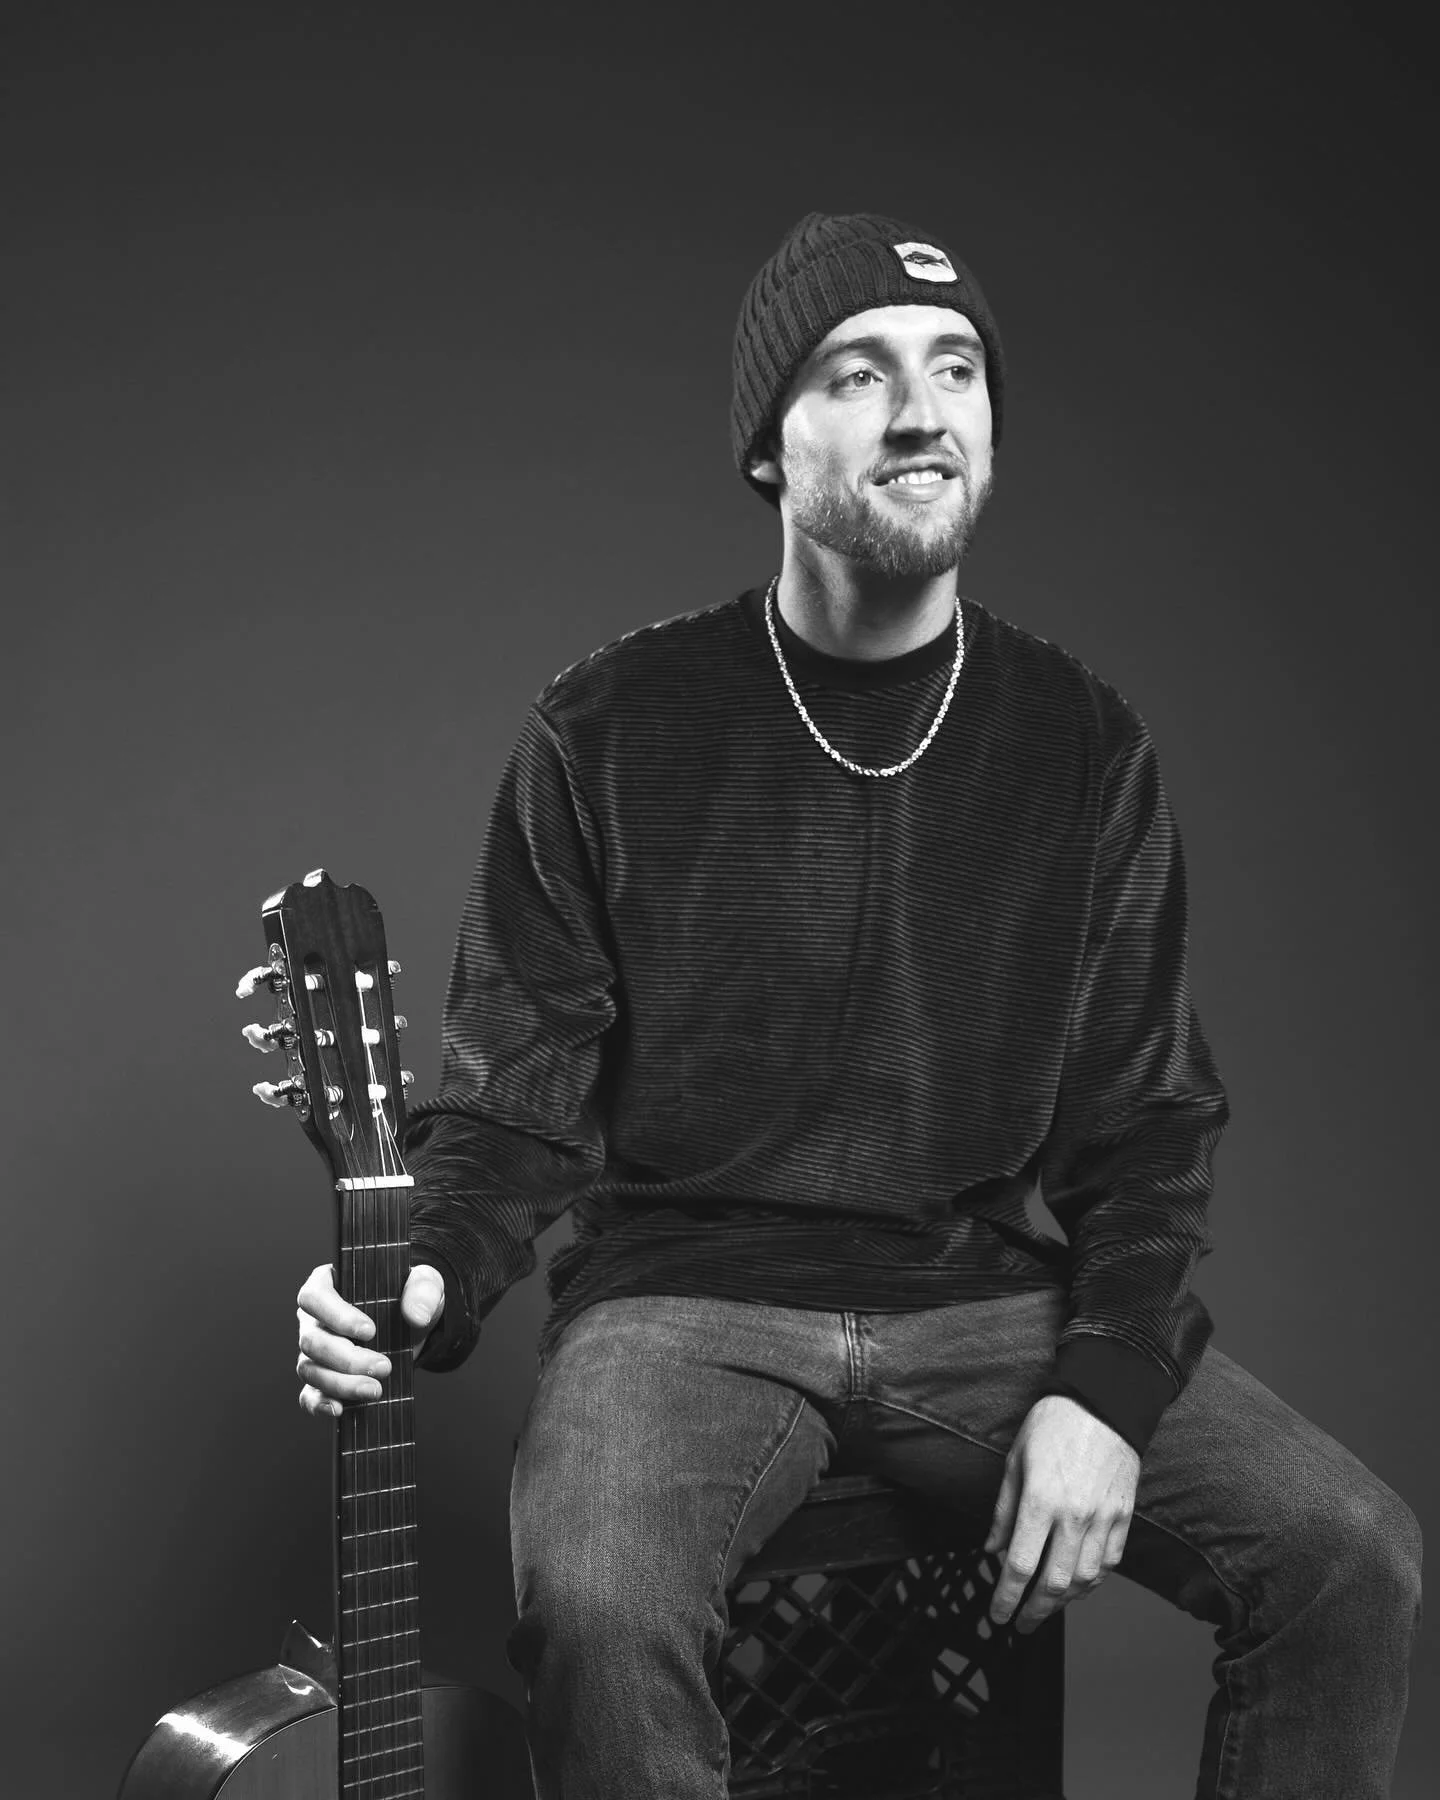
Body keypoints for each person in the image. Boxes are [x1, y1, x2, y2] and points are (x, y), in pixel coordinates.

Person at [293, 211, 1422, 1798]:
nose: (922, 408)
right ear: (770, 447)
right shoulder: (611, 724)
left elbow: (1150, 1124)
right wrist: (415, 1280)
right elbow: (508, 1095)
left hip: (980, 1299)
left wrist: (1102, 1396)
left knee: (1349, 1554)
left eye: (956, 370)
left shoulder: (1080, 740)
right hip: (684, 1311)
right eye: (859, 371)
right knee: (605, 1610)